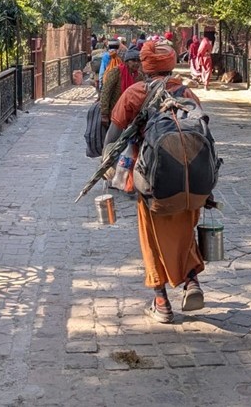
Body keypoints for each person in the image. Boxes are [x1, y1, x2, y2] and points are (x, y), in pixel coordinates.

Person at [105, 41, 207, 324]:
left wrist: (108, 168)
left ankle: (161, 301)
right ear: (171, 65)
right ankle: (191, 281)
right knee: (185, 231)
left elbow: (112, 138)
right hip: (190, 181)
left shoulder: (135, 93)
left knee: (151, 237)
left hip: (152, 182)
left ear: (145, 67)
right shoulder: (187, 94)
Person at [99, 46, 141, 135]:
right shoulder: (116, 72)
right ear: (127, 62)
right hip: (115, 113)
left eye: (138, 61)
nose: (136, 63)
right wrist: (104, 114)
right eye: (133, 61)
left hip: (132, 115)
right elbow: (106, 91)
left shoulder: (139, 76)